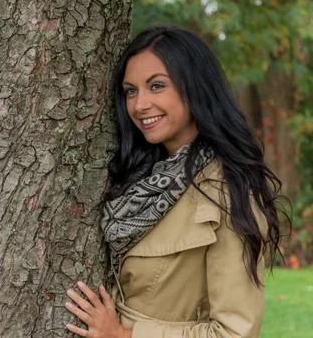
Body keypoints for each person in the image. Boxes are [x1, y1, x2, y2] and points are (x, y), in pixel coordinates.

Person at [64, 25, 286, 338]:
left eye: (157, 86)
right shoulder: (140, 177)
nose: (140, 105)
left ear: (195, 87)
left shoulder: (227, 191)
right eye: (131, 90)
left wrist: (123, 335)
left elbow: (235, 333)